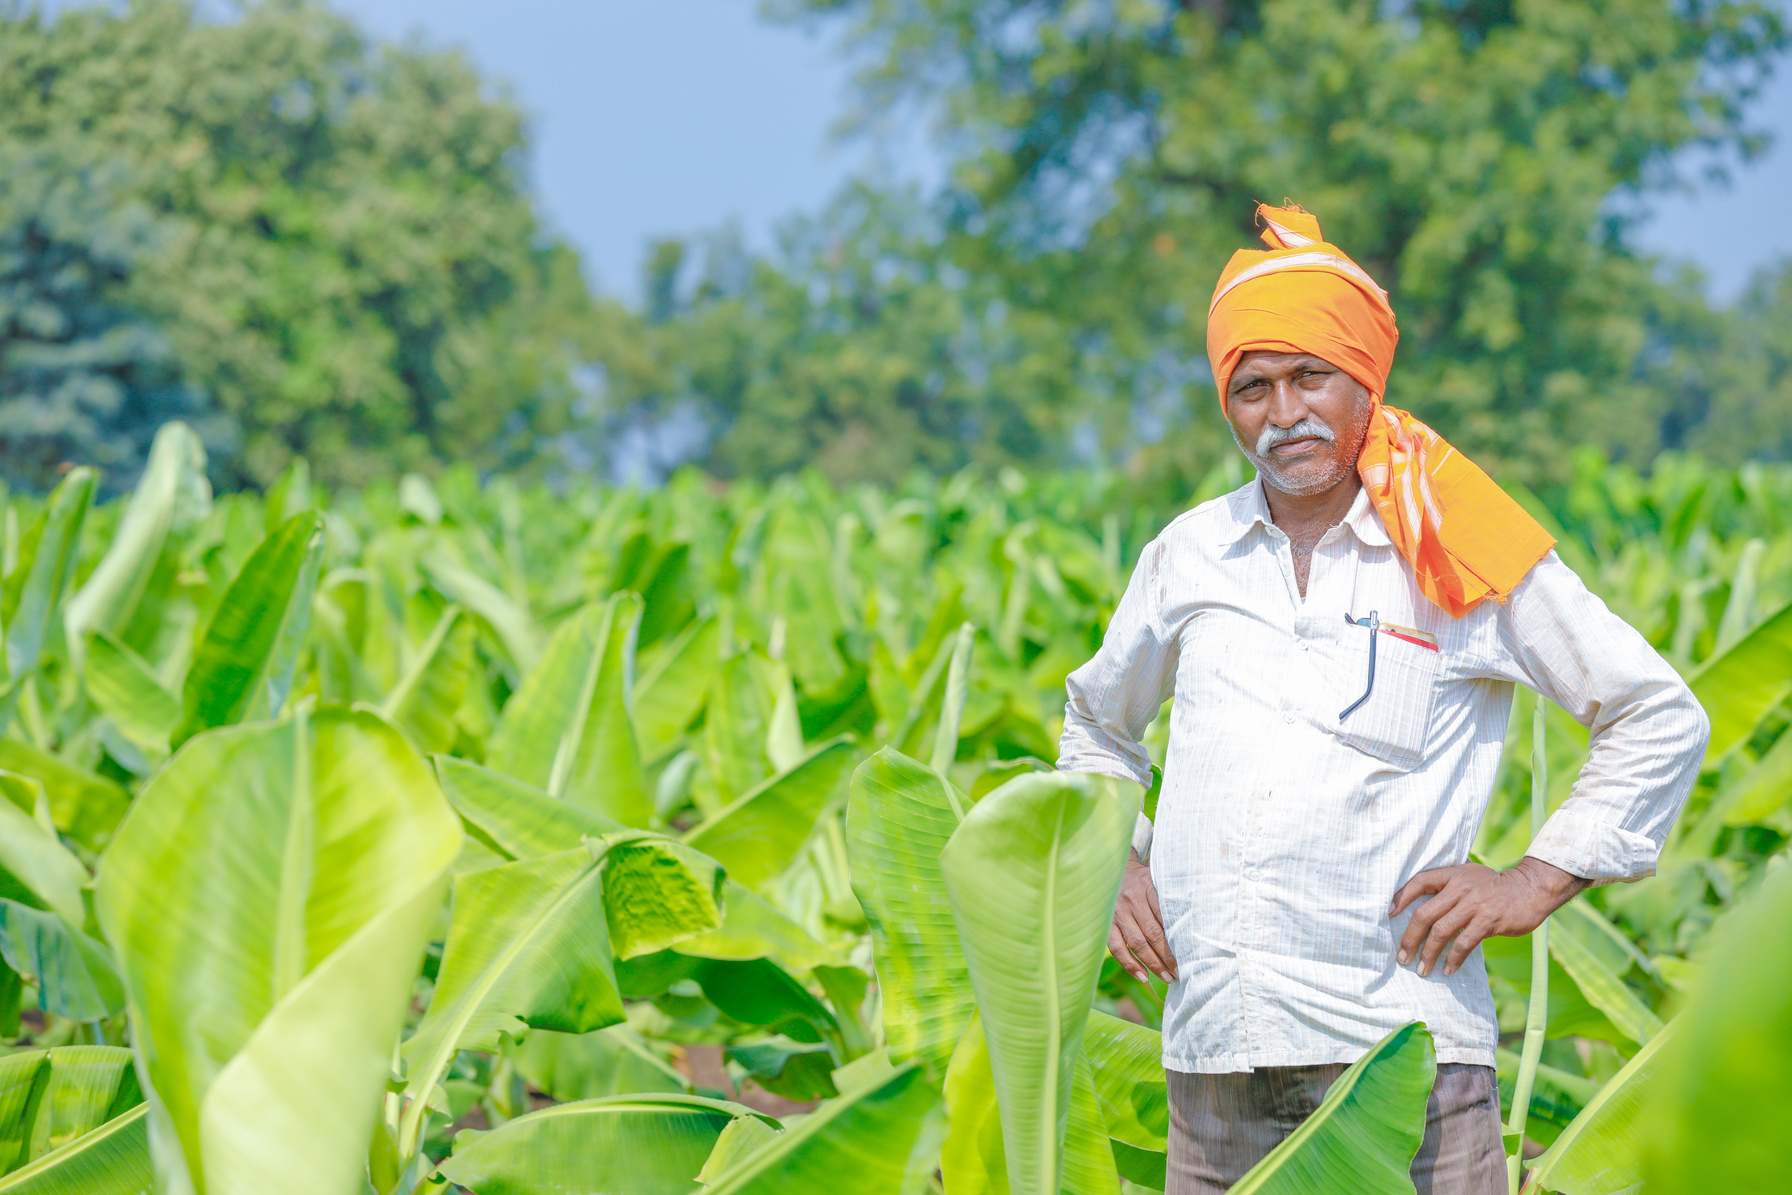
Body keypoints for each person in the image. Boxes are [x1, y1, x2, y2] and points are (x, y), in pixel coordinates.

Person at [1057, 203, 1708, 1194]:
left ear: (1363, 378)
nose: (1284, 414)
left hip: (1401, 1054)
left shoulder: (1453, 545)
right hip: (1212, 1055)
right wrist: (1117, 860)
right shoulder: (1187, 555)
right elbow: (1099, 725)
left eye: (1309, 376)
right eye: (1251, 388)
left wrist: (1532, 881)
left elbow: (1654, 713)